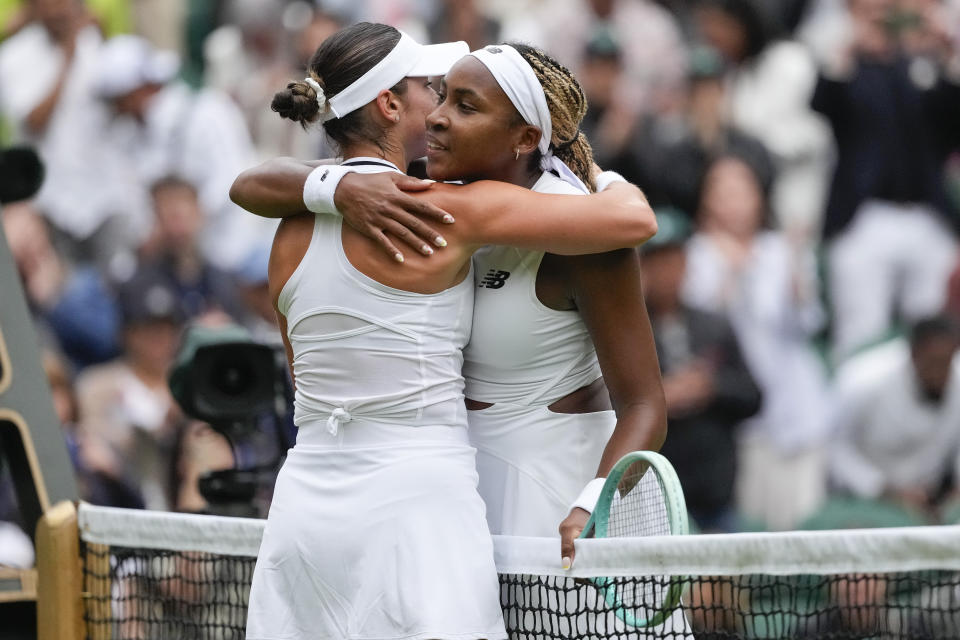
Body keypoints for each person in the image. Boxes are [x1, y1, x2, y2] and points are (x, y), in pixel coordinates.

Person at [240, 23, 658, 640]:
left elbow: (250, 186)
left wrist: (335, 185)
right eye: (430, 93)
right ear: (388, 105)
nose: (435, 114)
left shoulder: (287, 226)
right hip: (421, 509)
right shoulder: (449, 210)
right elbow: (633, 218)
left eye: (459, 103)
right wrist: (603, 180)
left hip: (304, 506)